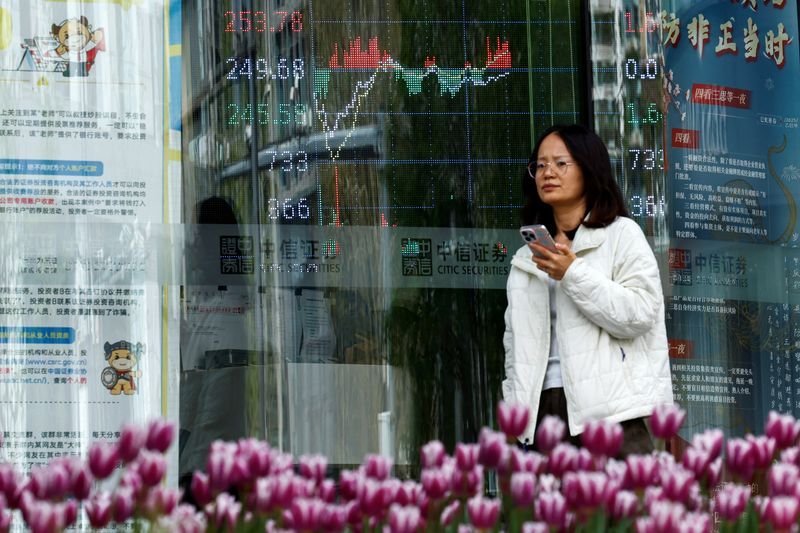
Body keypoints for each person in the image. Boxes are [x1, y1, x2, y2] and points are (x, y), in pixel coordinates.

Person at [502, 124, 673, 456]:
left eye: (560, 163)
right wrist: (514, 415)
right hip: (541, 415)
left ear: (588, 168)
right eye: (539, 165)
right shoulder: (527, 257)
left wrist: (572, 273)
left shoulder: (622, 235)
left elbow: (640, 314)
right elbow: (514, 346)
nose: (547, 172)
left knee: (618, 509)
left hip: (610, 415)